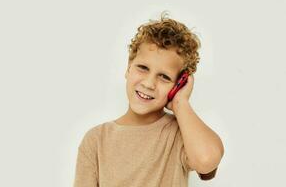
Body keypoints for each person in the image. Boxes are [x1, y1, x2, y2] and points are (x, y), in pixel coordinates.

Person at [73, 11, 224, 187]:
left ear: (178, 85)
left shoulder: (179, 133)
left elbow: (207, 160)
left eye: (164, 77)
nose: (149, 83)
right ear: (128, 67)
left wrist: (180, 103)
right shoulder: (96, 139)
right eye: (143, 68)